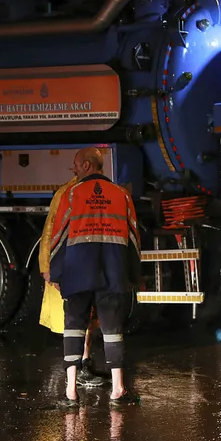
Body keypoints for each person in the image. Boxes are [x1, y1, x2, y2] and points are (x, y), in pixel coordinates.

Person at [49, 146, 141, 407]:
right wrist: (134, 274)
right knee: (113, 329)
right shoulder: (121, 195)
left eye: (76, 166)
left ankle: (70, 392)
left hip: (78, 271)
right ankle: (118, 389)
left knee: (74, 325)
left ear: (87, 165)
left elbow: (59, 236)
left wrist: (56, 272)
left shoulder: (72, 194)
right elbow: (134, 237)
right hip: (112, 271)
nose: (74, 171)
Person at [39, 175, 106, 388]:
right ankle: (78, 370)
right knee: (77, 321)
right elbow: (52, 232)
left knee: (83, 320)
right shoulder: (71, 193)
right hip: (76, 267)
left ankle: (80, 368)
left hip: (80, 266)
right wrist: (48, 268)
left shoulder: (72, 192)